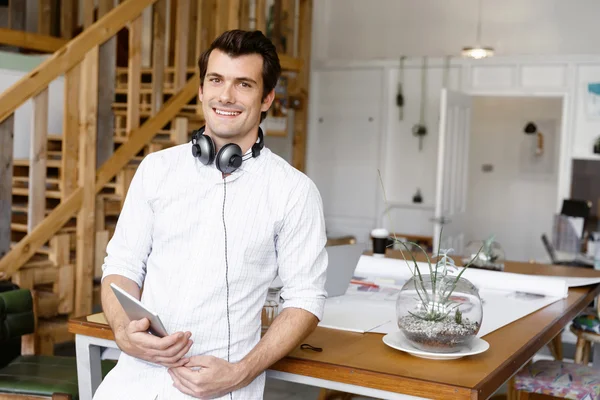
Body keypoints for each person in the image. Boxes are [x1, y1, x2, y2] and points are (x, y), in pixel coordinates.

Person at [94, 30, 328, 400]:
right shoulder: (156, 169)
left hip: (219, 388)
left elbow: (306, 299)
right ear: (201, 89)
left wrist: (240, 373)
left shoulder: (294, 192)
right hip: (132, 383)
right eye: (215, 80)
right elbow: (122, 264)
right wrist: (123, 331)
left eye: (244, 84)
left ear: (267, 98)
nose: (225, 96)